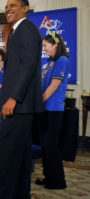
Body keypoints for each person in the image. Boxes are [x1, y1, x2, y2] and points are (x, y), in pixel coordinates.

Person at [0, 0, 43, 199]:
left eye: (13, 5)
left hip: (18, 104)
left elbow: (28, 66)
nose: (7, 9)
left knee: (8, 155)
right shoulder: (16, 31)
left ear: (25, 8)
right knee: (20, 154)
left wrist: (14, 98)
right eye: (6, 6)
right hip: (21, 105)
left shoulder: (26, 28)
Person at [35, 31, 70, 190]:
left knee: (51, 145)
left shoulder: (62, 60)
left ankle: (58, 181)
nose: (44, 49)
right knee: (45, 145)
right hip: (45, 109)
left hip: (53, 109)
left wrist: (39, 102)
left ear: (55, 44)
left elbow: (54, 86)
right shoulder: (50, 62)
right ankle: (49, 177)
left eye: (45, 45)